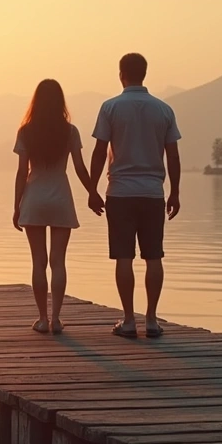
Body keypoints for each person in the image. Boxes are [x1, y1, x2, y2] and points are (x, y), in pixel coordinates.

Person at [87, 53, 182, 339]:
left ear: (121, 74)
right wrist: (175, 192)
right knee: (154, 257)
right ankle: (151, 320)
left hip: (120, 193)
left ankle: (128, 320)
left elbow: (99, 152)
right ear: (144, 73)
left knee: (124, 257)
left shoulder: (110, 108)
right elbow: (173, 156)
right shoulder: (163, 109)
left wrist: (92, 189)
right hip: (152, 193)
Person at [12, 79, 104, 334]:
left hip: (34, 198)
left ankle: (42, 319)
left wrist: (16, 206)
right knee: (58, 261)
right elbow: (79, 168)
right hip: (61, 198)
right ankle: (56, 319)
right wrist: (93, 192)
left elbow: (22, 172)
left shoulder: (26, 132)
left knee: (38, 262)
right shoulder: (70, 132)